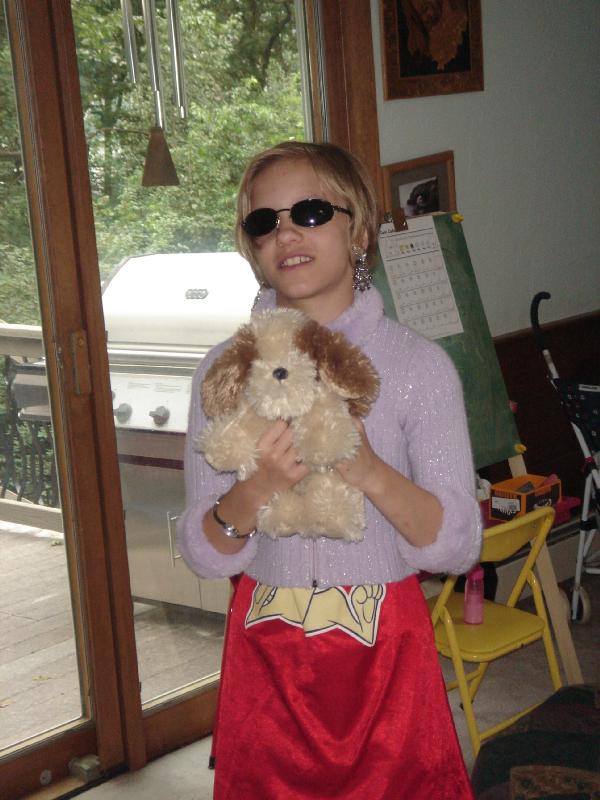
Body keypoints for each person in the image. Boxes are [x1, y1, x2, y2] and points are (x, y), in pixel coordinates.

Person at [177, 140, 482, 799]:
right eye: (265, 221)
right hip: (267, 656)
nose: (286, 234)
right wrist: (258, 488)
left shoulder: (421, 369)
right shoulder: (222, 373)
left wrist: (369, 471)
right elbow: (201, 551)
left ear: (359, 229)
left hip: (385, 657)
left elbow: (456, 545)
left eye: (310, 212)